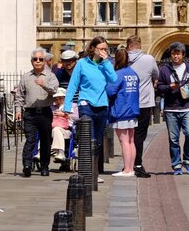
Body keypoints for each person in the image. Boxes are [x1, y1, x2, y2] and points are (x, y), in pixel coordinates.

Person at [63, 36, 117, 176]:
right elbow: (73, 85)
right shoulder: (82, 63)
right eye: (101, 49)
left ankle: (95, 172)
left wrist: (106, 62)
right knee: (88, 139)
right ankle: (87, 172)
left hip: (102, 106)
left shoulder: (106, 64)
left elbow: (114, 79)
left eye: (106, 49)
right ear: (93, 49)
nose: (103, 51)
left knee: (98, 142)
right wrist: (67, 107)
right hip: (85, 104)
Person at [13, 48, 59, 177]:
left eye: (40, 59)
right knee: (30, 139)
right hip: (30, 112)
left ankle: (44, 166)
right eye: (35, 59)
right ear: (31, 61)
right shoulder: (26, 76)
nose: (37, 61)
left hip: (45, 112)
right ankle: (27, 165)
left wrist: (44, 85)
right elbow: (19, 95)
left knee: (45, 140)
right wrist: (18, 110)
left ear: (44, 61)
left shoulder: (50, 76)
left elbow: (55, 90)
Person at [157, 42, 189, 175]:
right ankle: (176, 164)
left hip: (187, 107)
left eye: (178, 53)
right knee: (173, 139)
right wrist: (168, 87)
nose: (175, 56)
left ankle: (187, 160)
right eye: (173, 53)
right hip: (171, 109)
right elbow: (159, 87)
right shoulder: (165, 69)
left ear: (183, 55)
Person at [125, 35, 159, 178]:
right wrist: (154, 82)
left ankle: (128, 163)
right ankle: (137, 164)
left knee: (127, 136)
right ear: (140, 45)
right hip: (144, 103)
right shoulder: (149, 59)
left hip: (127, 103)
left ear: (128, 46)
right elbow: (156, 74)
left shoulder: (123, 59)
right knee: (139, 135)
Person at [104, 48, 140, 177]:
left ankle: (127, 170)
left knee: (124, 141)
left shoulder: (118, 74)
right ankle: (131, 169)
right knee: (131, 141)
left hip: (121, 110)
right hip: (133, 109)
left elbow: (110, 91)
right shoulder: (133, 73)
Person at [50, 89, 74, 172]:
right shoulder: (52, 108)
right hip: (52, 129)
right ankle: (39, 152)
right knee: (44, 131)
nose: (57, 101)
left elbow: (73, 121)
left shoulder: (69, 107)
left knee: (56, 130)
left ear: (64, 98)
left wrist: (64, 115)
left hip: (65, 130)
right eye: (56, 99)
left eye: (60, 98)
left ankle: (60, 152)